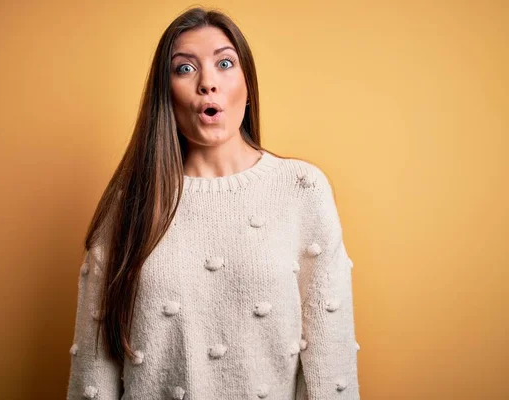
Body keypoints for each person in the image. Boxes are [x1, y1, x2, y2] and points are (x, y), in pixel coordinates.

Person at [66, 6, 360, 400]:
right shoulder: (130, 203)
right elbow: (94, 369)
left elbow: (331, 362)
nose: (208, 82)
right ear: (164, 96)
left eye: (225, 63)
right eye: (185, 69)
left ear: (248, 86)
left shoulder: (302, 190)